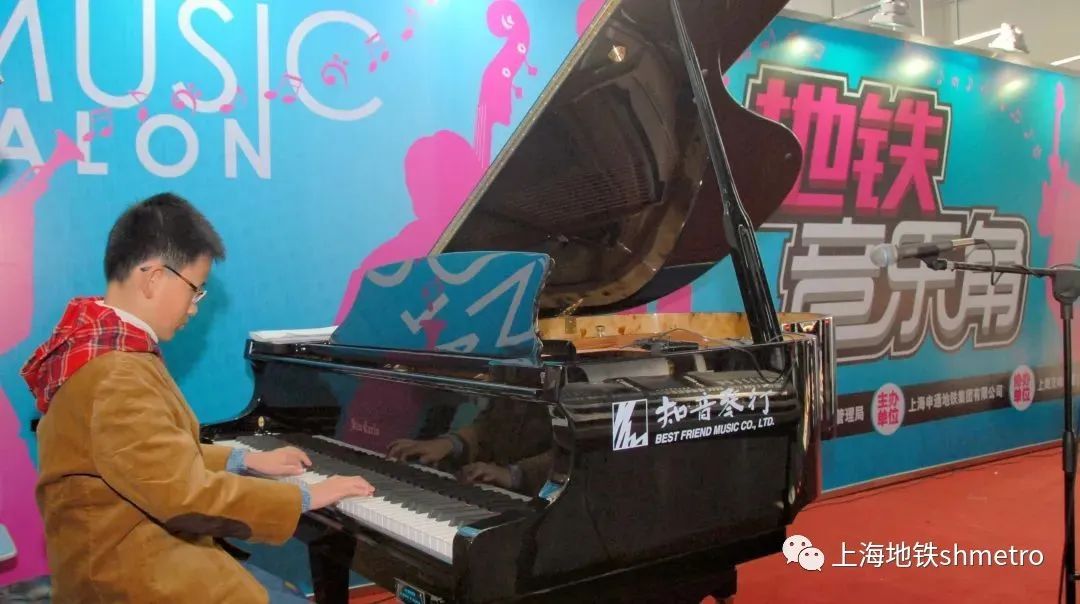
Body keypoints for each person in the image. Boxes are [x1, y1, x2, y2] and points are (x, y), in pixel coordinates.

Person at [21, 193, 375, 603]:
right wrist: (308, 496)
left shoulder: (95, 343)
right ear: (154, 278)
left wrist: (244, 459)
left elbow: (142, 457)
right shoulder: (118, 373)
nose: (194, 307)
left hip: (122, 554)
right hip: (133, 579)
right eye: (196, 289)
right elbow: (185, 496)